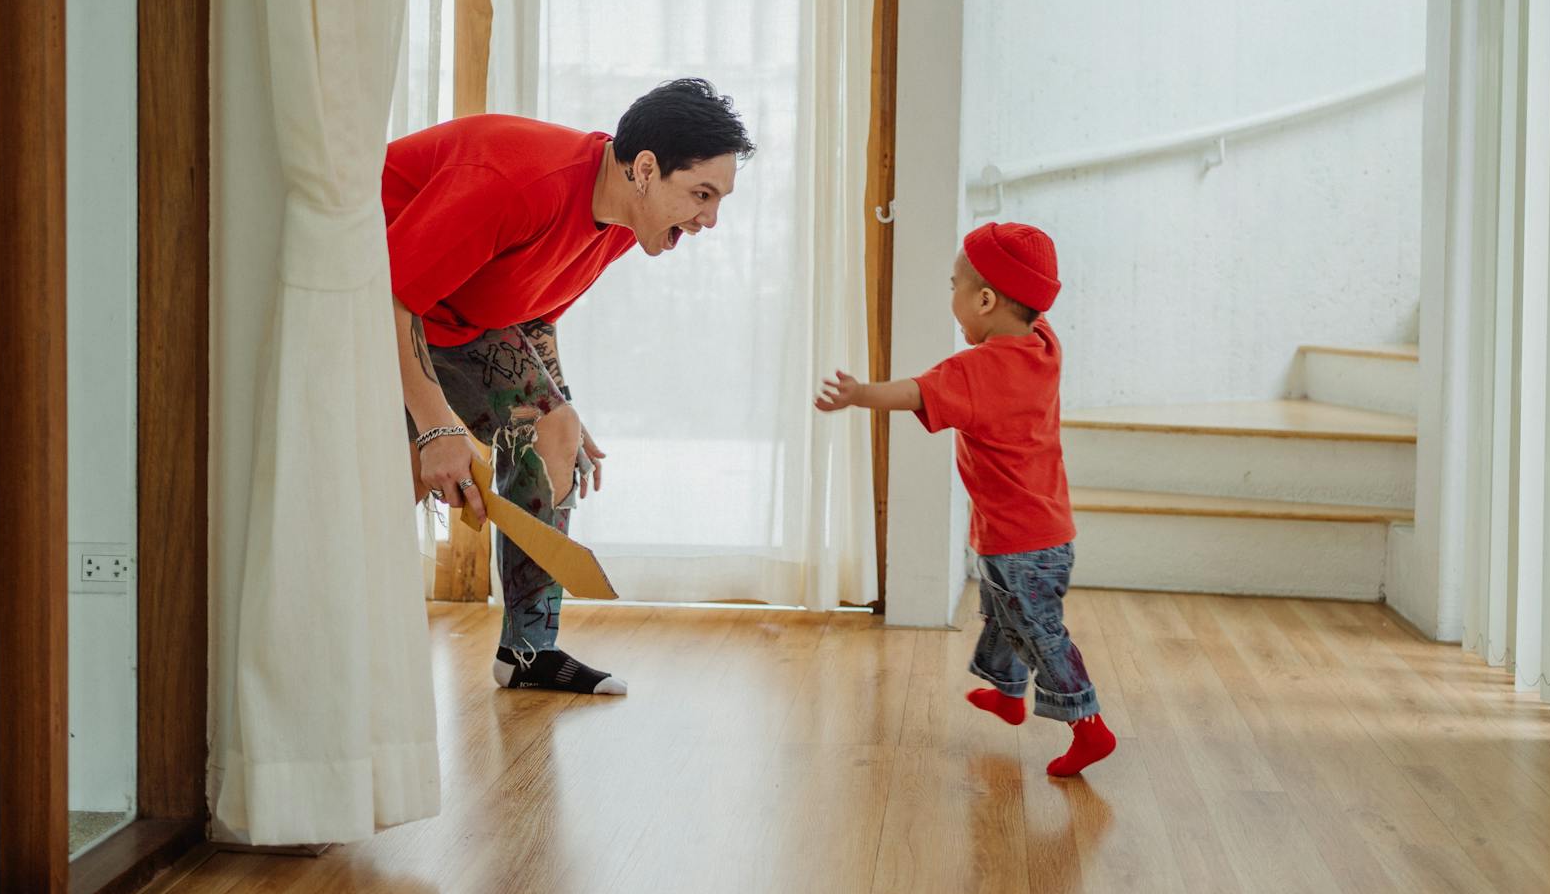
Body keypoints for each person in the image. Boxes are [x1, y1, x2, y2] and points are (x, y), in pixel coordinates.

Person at [386, 78, 754, 696]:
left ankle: (529, 654)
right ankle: (326, 655)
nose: (709, 220)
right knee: (397, 481)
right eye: (701, 194)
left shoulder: (618, 220)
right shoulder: (520, 184)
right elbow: (388, 295)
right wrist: (439, 428)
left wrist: (562, 403)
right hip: (374, 304)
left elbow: (534, 312)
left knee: (556, 433)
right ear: (645, 169)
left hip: (456, 318)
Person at [814, 222, 1116, 776]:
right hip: (1047, 533)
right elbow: (1031, 300)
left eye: (954, 285)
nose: (951, 298)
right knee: (1003, 615)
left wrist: (859, 395)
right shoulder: (1043, 346)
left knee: (1037, 631)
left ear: (984, 299)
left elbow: (913, 392)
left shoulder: (977, 370)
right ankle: (1006, 694)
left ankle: (1088, 725)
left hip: (1017, 540)